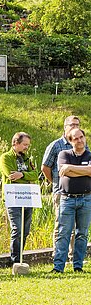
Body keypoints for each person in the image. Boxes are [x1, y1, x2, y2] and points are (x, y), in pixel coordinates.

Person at [52, 127, 91, 273]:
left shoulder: (90, 155)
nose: (80, 140)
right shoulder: (64, 154)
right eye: (76, 138)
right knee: (64, 233)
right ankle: (58, 267)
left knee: (82, 234)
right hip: (67, 199)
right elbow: (63, 173)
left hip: (86, 199)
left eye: (81, 137)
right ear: (70, 141)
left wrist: (70, 168)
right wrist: (83, 171)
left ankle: (78, 265)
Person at [42, 115, 81, 256]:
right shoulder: (56, 145)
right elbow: (45, 167)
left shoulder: (81, 144)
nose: (75, 127)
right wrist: (55, 182)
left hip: (80, 192)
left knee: (77, 227)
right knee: (62, 226)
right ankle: (58, 255)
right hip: (61, 192)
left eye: (77, 124)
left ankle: (73, 255)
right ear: (65, 127)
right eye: (72, 124)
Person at [0, 132, 39, 264]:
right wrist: (25, 176)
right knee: (17, 228)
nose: (27, 147)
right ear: (15, 143)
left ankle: (19, 256)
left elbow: (35, 175)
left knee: (25, 230)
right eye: (24, 144)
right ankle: (15, 259)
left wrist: (21, 174)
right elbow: (10, 175)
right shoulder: (6, 157)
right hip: (13, 198)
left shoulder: (27, 159)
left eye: (28, 145)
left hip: (28, 196)